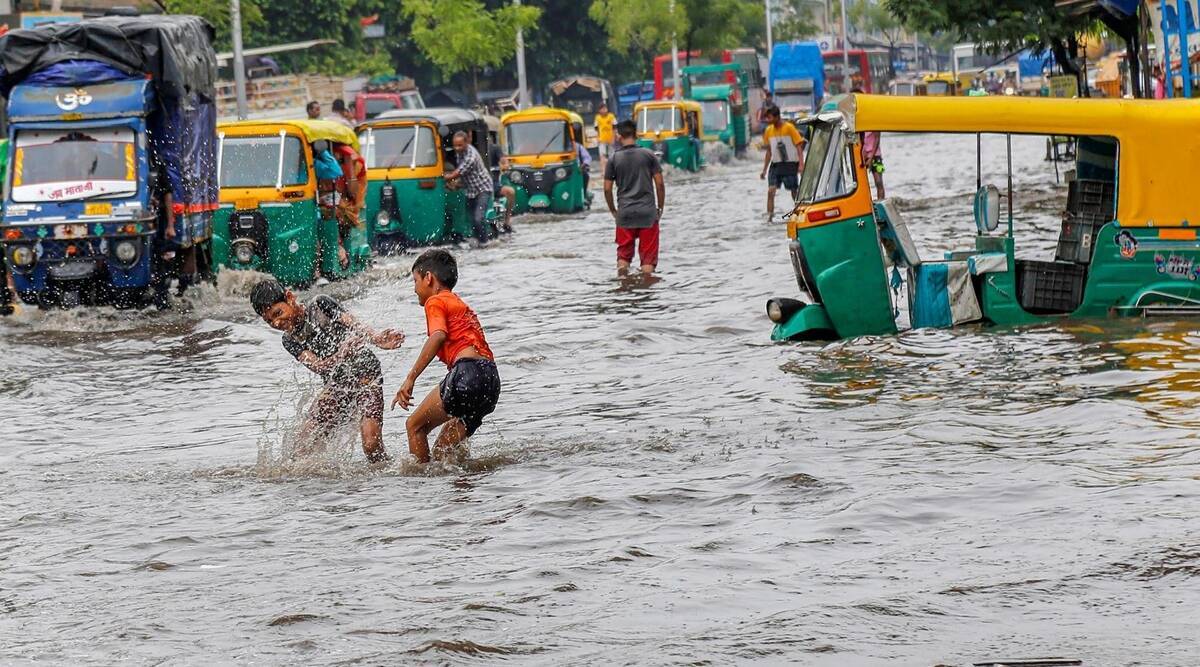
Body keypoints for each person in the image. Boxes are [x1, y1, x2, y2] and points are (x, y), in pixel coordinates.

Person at [250, 279, 404, 463]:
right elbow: (318, 366)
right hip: (336, 386)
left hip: (366, 377)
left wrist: (377, 338)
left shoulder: (320, 305)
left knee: (371, 446)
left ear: (290, 297)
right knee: (300, 448)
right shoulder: (289, 340)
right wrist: (340, 354)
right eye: (269, 321)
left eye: (278, 313)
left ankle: (390, 476)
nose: (276, 322)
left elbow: (355, 325)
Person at [392, 250, 500, 464]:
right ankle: (463, 493)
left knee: (415, 426)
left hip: (467, 373)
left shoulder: (436, 300)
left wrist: (410, 379)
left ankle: (422, 487)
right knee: (444, 453)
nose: (414, 289)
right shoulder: (460, 304)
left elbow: (438, 336)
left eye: (415, 280)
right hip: (490, 380)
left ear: (429, 278)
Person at [603, 119, 665, 276]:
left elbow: (607, 188)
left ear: (619, 136)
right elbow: (659, 184)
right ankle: (648, 294)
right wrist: (660, 208)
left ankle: (625, 290)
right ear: (636, 134)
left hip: (625, 214)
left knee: (623, 259)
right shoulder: (649, 155)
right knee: (647, 262)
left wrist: (613, 211)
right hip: (648, 214)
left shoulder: (613, 159)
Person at [443, 131, 493, 245]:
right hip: (470, 191)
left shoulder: (471, 156)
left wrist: (443, 177)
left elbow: (458, 173)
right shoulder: (459, 153)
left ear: (467, 143)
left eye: (460, 145)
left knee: (478, 219)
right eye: (455, 145)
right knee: (471, 220)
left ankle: (485, 243)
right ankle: (476, 242)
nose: (457, 148)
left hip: (482, 189)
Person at [759, 105, 804, 222]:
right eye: (767, 118)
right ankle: (769, 216)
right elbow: (769, 151)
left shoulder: (789, 128)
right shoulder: (769, 130)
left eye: (770, 118)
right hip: (776, 164)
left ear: (777, 117)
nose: (768, 121)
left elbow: (799, 145)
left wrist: (801, 164)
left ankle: (800, 212)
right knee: (771, 191)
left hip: (789, 164)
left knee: (794, 191)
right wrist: (764, 170)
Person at [332, 142, 367, 269]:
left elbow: (353, 194)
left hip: (348, 207)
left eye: (341, 158)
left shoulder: (357, 163)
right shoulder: (326, 163)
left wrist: (349, 167)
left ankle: (343, 254)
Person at [851, 88, 885, 200]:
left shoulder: (872, 115)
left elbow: (877, 138)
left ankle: (880, 202)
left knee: (878, 181)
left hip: (874, 154)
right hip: (860, 155)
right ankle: (867, 204)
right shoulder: (853, 117)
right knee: (862, 185)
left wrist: (870, 158)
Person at [488, 136, 516, 232]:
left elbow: (503, 161)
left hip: (494, 185)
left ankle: (507, 221)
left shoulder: (495, 148)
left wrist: (505, 165)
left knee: (510, 192)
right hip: (479, 186)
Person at [594, 102, 617, 173]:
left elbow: (615, 127)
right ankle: (603, 171)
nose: (604, 110)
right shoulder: (597, 118)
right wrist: (598, 138)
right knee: (602, 155)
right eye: (602, 109)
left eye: (605, 108)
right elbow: (596, 128)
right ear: (599, 110)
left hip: (610, 138)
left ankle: (613, 170)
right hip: (602, 139)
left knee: (612, 155)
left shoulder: (611, 116)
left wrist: (614, 137)